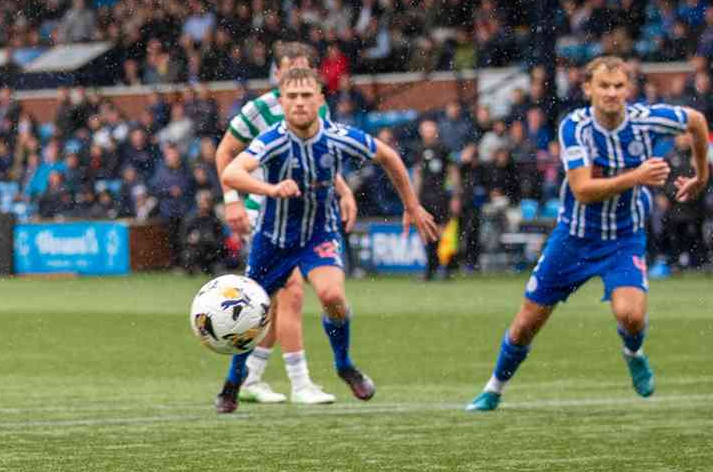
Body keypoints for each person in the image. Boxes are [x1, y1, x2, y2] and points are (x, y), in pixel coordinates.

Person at [466, 57, 708, 412]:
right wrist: (636, 177)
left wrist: (702, 176)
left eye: (618, 86)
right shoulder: (575, 127)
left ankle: (633, 352)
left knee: (632, 315)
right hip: (574, 239)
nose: (612, 93)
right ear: (588, 89)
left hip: (624, 237)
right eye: (604, 86)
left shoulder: (646, 119)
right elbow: (581, 189)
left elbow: (697, 121)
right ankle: (494, 388)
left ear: (629, 89)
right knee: (526, 324)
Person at [218, 67, 439, 414]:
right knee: (253, 311)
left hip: (319, 234)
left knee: (332, 296)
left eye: (307, 95)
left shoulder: (338, 135)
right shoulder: (271, 139)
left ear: (321, 99)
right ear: (282, 101)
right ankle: (233, 382)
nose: (300, 103)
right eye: (292, 97)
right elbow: (232, 171)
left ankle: (344, 365)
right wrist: (271, 189)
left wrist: (411, 203)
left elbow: (388, 156)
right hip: (272, 240)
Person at [213, 42, 358, 406]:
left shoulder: (312, 105)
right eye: (289, 69)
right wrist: (231, 200)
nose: (295, 78)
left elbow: (316, 157)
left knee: (274, 301)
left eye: (304, 70)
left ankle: (250, 377)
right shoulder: (258, 110)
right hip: (264, 209)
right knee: (290, 292)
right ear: (276, 74)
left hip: (304, 210)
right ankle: (300, 382)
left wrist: (343, 190)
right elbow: (225, 153)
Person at [413, 119, 459, 280]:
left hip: (441, 196)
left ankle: (445, 266)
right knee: (426, 232)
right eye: (425, 129)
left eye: (431, 129)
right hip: (425, 196)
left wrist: (455, 196)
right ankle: (430, 268)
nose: (428, 132)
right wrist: (414, 199)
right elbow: (418, 174)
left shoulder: (444, 149)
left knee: (442, 231)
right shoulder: (419, 150)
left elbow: (453, 172)